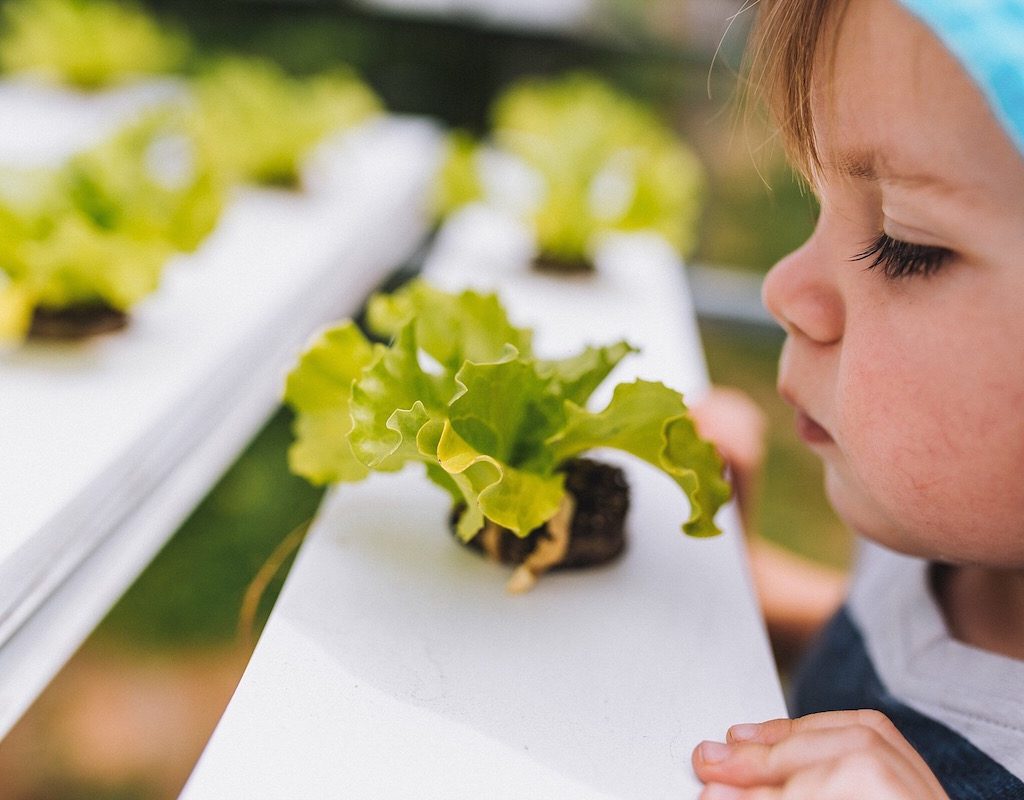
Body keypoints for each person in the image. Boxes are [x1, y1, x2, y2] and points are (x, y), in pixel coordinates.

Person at [688, 0, 1024, 797]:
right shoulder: (948, 543)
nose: (782, 289)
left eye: (904, 243)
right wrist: (753, 589)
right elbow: (917, 657)